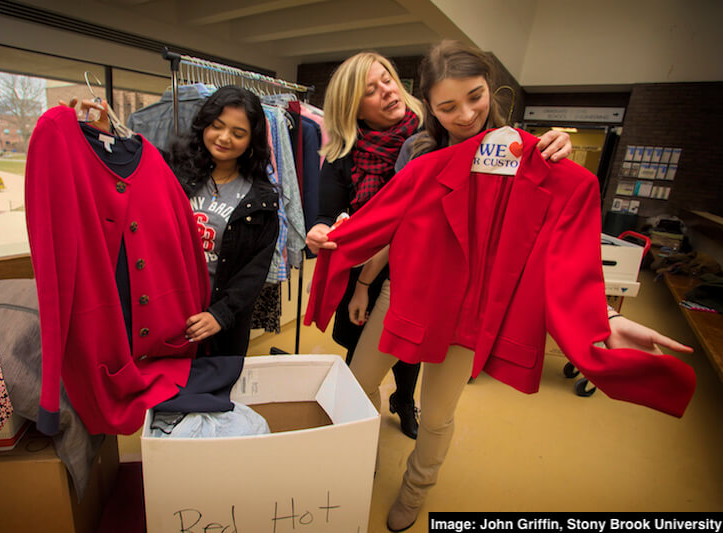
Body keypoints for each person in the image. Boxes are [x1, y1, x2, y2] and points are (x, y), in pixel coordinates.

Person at [306, 40, 694, 532]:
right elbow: (384, 222)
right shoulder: (419, 154)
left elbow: (558, 250)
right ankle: (359, 461)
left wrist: (603, 317)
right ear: (430, 106)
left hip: (469, 312)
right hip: (406, 293)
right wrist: (337, 241)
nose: (466, 115)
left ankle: (415, 488)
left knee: (438, 413)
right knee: (358, 386)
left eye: (475, 97)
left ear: (492, 88)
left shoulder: (536, 158)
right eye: (448, 106)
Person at [305, 52, 572, 441]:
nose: (464, 114)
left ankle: (404, 409)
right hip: (388, 275)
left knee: (431, 394)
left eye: (388, 80)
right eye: (370, 90)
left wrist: (549, 145)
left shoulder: (467, 143)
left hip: (450, 286)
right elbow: (369, 220)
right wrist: (336, 244)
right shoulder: (395, 151)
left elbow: (543, 227)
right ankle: (363, 449)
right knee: (363, 371)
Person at [66, 86, 279, 357]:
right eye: (217, 126)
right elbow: (126, 168)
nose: (224, 138)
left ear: (252, 141)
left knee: (211, 381)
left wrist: (220, 314)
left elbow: (254, 271)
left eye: (238, 134)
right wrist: (103, 134)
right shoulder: (173, 171)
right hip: (166, 311)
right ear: (205, 124)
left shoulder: (261, 200)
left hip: (217, 326)